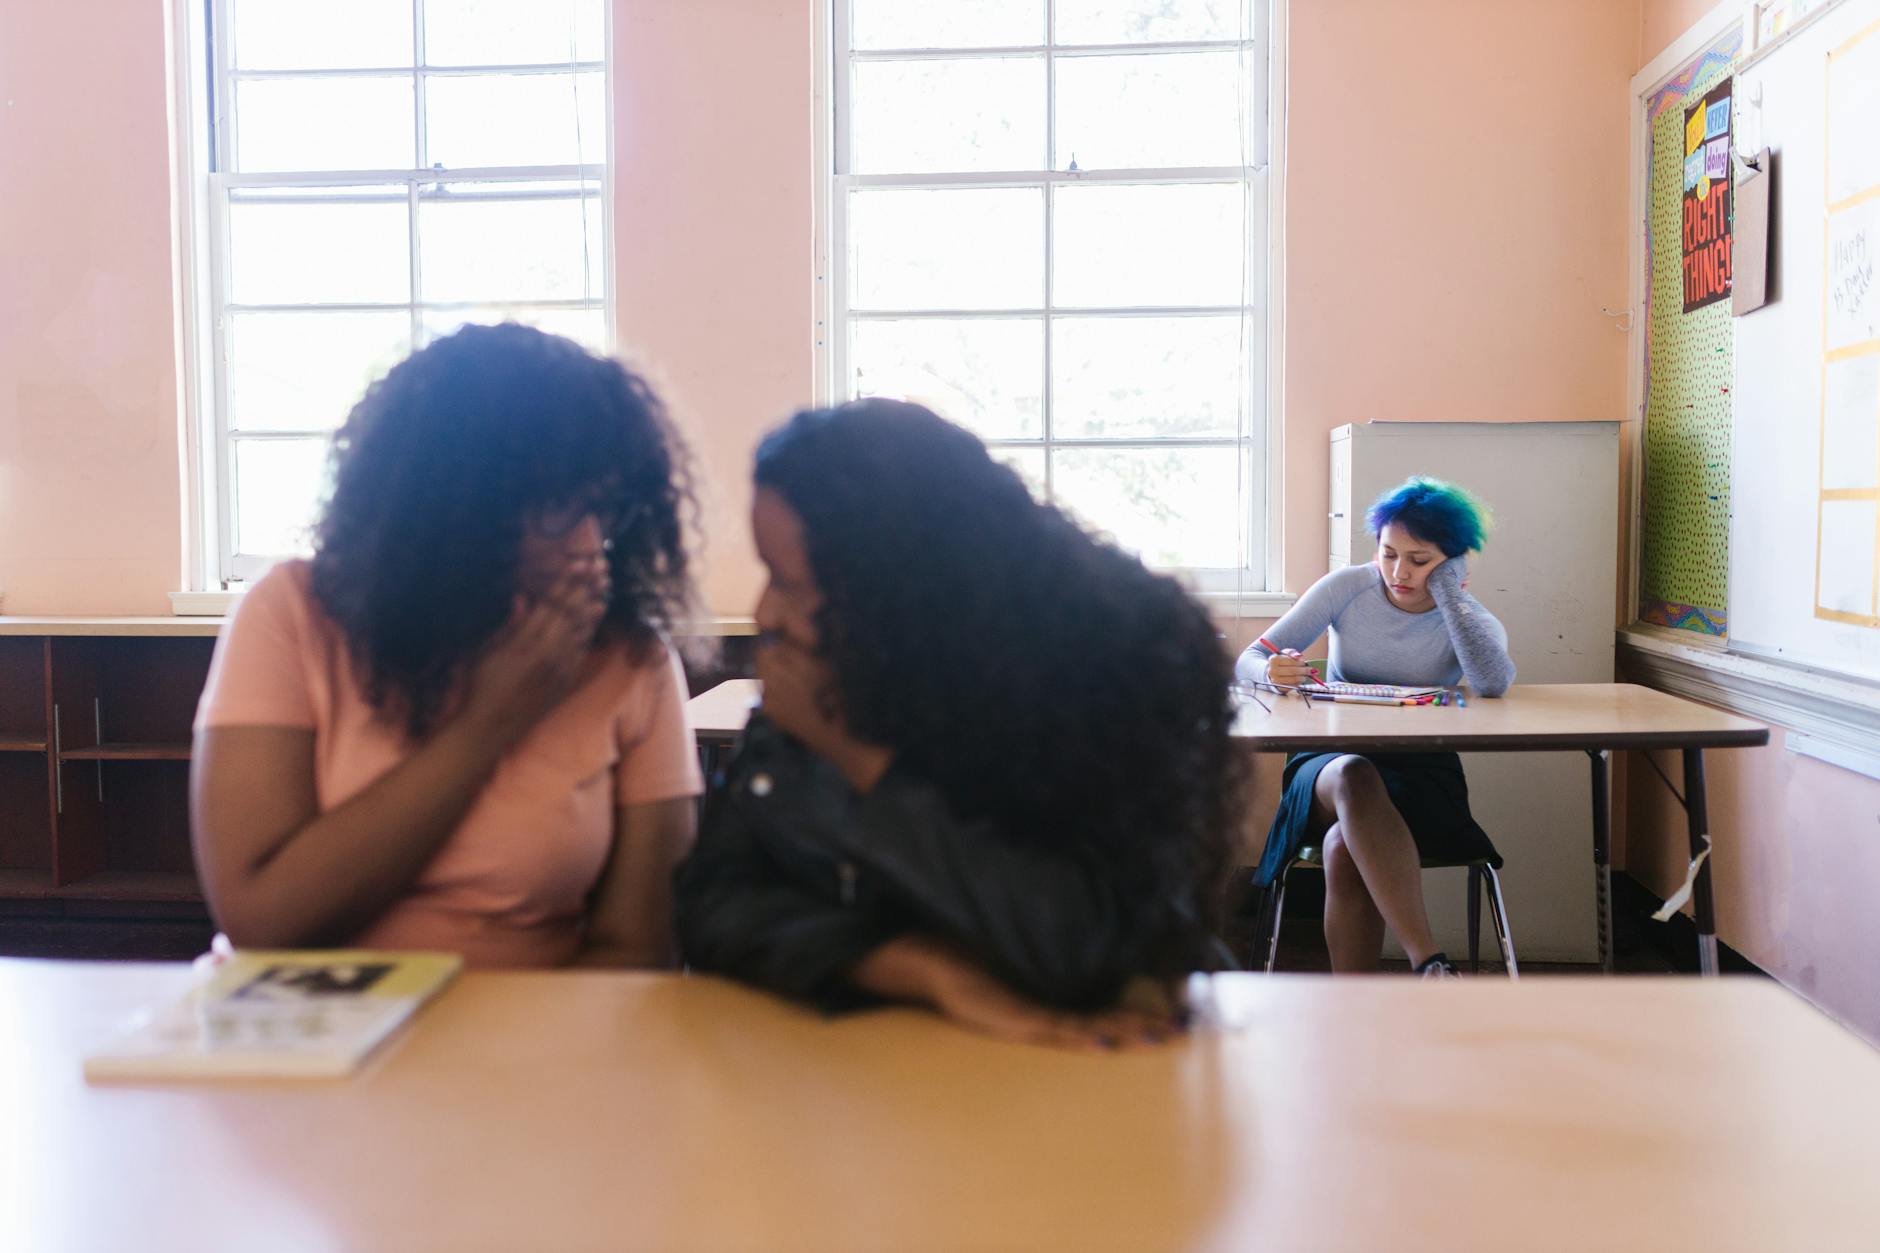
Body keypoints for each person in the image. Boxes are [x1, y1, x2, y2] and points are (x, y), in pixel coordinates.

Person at [675, 400, 1245, 1048]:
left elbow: (1089, 948)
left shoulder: (1109, 663)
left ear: (891, 584)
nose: (764, 613)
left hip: (1100, 1070)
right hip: (878, 1073)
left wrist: (861, 764)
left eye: (788, 581)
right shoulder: (833, 677)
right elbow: (711, 904)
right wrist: (925, 971)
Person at [191, 323, 702, 969]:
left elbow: (637, 949)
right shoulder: (290, 613)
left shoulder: (629, 660)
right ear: (450, 514)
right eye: (555, 512)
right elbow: (262, 918)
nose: (587, 546)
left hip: (532, 1046)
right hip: (309, 1032)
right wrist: (489, 722)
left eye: (601, 509)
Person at [1237, 476, 1515, 977]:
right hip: (1328, 763)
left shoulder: (1469, 618)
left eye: (1420, 559)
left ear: (1453, 564)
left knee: (1344, 846)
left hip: (1420, 771)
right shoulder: (1349, 587)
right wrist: (1268, 671)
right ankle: (1429, 963)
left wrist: (1448, 595)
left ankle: (1357, 1007)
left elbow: (1493, 682)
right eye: (1389, 554)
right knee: (1354, 775)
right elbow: (1250, 659)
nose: (1398, 572)